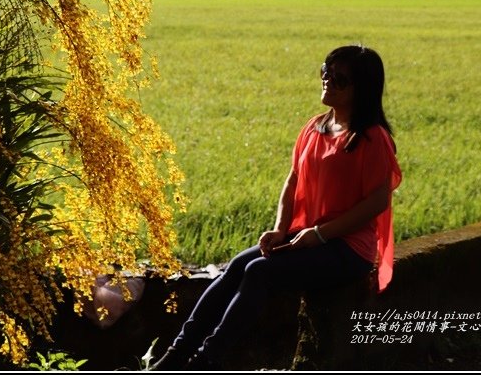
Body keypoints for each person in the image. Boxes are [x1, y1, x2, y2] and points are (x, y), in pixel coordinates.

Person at [151, 45, 402, 370]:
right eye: (326, 71)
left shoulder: (371, 138)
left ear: (362, 89)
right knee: (239, 265)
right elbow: (293, 181)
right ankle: (174, 358)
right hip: (305, 236)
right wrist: (281, 228)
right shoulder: (316, 127)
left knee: (260, 271)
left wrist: (320, 234)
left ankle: (206, 362)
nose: (328, 80)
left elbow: (377, 201)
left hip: (348, 249)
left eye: (340, 79)